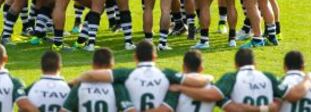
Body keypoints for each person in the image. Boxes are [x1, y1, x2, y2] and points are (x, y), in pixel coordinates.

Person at [71, 40, 213, 111]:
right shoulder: (166, 74)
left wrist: (74, 81)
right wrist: (209, 78)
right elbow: (197, 81)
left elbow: (92, 76)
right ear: (155, 56)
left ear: (135, 57)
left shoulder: (125, 74)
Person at [168, 48, 311, 112]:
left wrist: (182, 88)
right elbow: (279, 104)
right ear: (255, 64)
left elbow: (215, 97)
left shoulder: (230, 79)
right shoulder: (269, 78)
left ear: (236, 64)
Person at [62, 48, 135, 112]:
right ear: (111, 65)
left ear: (92, 64)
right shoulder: (117, 87)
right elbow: (129, 109)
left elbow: (65, 110)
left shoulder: (79, 86)